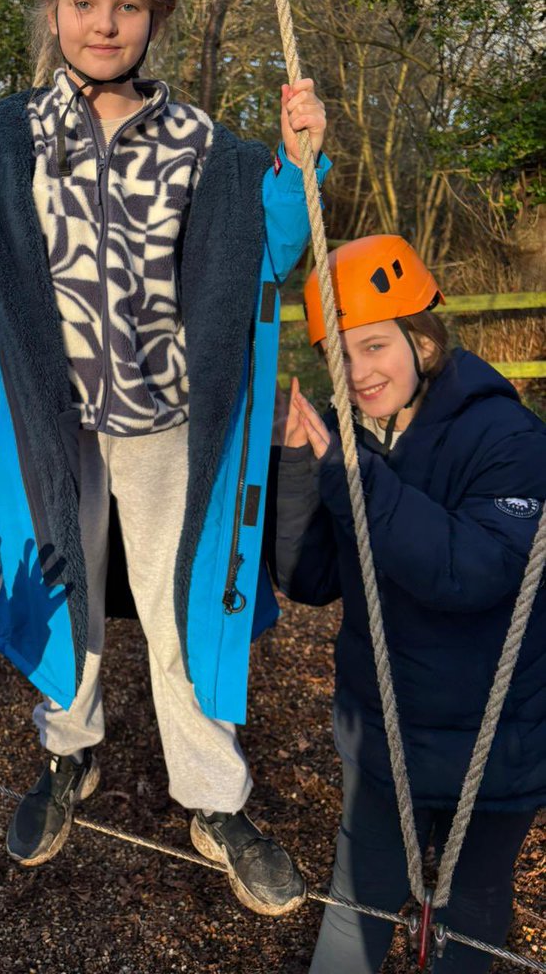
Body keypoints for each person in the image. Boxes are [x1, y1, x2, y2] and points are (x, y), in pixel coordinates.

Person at [0, 0, 329, 915]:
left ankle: (214, 795)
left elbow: (263, 259)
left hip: (168, 432)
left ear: (157, 21)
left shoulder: (200, 146)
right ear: (53, 8)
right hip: (47, 431)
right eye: (85, 1)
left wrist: (296, 166)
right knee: (61, 593)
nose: (105, 24)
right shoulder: (1, 150)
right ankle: (70, 752)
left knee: (184, 611)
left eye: (129, 6)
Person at [273, 234, 545, 971]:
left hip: (491, 745)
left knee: (471, 914)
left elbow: (470, 571)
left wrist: (348, 470)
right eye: (343, 354)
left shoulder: (509, 438)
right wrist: (301, 466)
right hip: (383, 737)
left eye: (374, 347)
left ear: (421, 340)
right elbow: (309, 578)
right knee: (353, 911)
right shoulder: (353, 435)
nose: (359, 373)